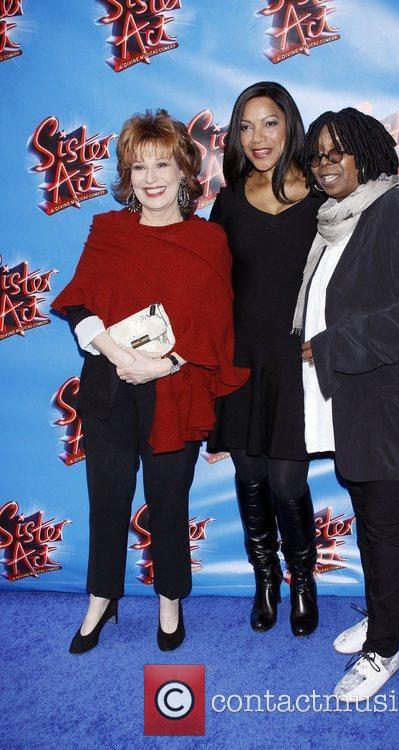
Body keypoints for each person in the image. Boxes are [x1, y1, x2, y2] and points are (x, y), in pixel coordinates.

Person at [51, 109, 249, 654]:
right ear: (126, 176)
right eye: (139, 166)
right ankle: (101, 599)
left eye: (163, 163)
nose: (151, 177)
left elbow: (215, 328)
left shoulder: (208, 241)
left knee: (168, 502)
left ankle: (170, 600)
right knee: (107, 497)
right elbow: (79, 303)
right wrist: (118, 354)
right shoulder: (107, 231)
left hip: (177, 393)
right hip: (109, 386)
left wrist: (162, 365)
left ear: (186, 170)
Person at [297, 107, 399, 699]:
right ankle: (384, 613)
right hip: (358, 400)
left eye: (338, 150)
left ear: (368, 152)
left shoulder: (398, 212)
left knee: (384, 522)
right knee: (371, 518)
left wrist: (337, 345)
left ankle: (385, 649)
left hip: (397, 405)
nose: (326, 164)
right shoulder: (335, 223)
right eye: (317, 154)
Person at [208, 82, 326, 637]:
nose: (258, 137)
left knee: (285, 482)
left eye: (270, 123)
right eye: (247, 126)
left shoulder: (324, 198)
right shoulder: (227, 201)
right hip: (241, 358)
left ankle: (303, 579)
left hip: (298, 363)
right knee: (250, 475)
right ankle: (265, 580)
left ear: (289, 126)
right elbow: (204, 282)